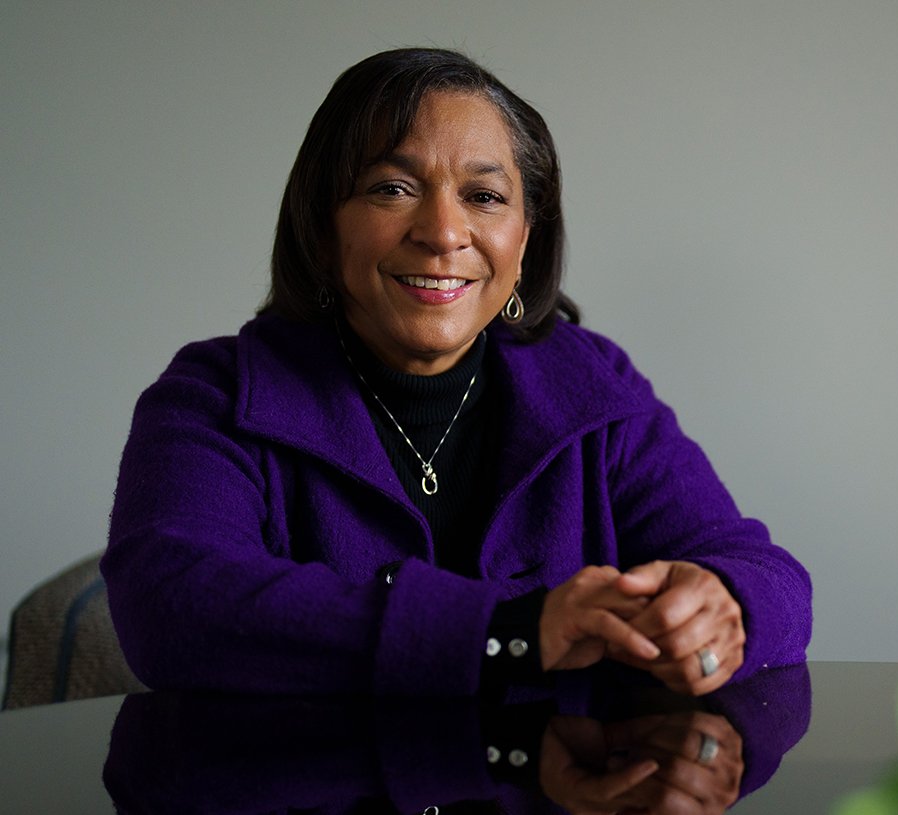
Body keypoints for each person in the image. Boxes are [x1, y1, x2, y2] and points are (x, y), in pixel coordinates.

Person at [102, 47, 811, 698]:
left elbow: (767, 575)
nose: (443, 233)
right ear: (323, 228)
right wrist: (509, 632)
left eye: (485, 197)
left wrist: (721, 603)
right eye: (392, 188)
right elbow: (170, 607)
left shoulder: (591, 382)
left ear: (525, 240)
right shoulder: (214, 396)